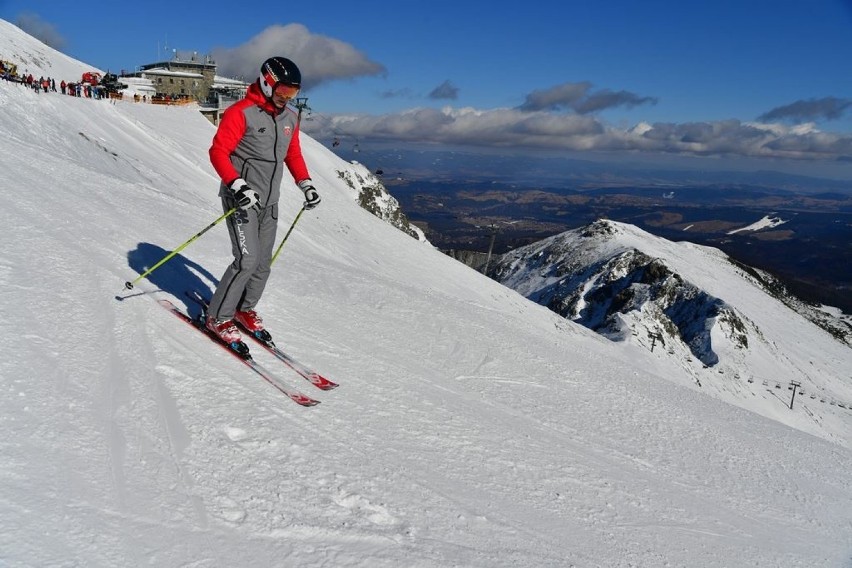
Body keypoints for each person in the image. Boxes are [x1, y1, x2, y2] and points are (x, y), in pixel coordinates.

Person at [205, 56, 321, 343]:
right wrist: (237, 184)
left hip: (270, 201)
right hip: (241, 198)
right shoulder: (241, 113)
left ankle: (245, 309)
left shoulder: (290, 117)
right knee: (246, 260)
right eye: (283, 91)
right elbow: (218, 152)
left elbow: (292, 154)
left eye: (292, 93)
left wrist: (305, 183)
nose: (287, 98)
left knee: (263, 263)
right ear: (268, 83)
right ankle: (218, 317)